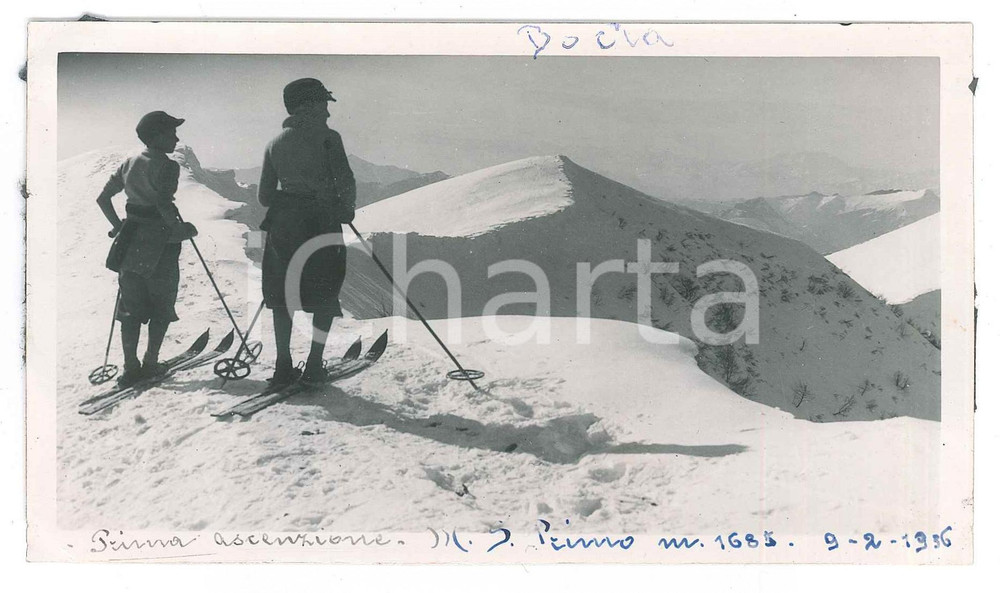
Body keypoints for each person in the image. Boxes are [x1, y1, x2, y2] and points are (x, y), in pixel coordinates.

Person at [258, 78, 356, 386]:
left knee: (282, 294)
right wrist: (344, 208)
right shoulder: (329, 138)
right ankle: (314, 366)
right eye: (324, 105)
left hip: (283, 226)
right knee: (324, 293)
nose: (328, 113)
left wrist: (291, 199)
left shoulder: (274, 144)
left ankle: (282, 366)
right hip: (321, 223)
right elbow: (345, 181)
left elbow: (264, 196)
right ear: (309, 106)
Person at [97, 111, 199, 387]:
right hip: (160, 245)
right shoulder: (168, 166)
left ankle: (131, 367)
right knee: (161, 305)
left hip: (130, 242)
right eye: (171, 133)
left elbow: (103, 197)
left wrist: (119, 226)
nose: (176, 138)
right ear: (156, 137)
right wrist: (181, 230)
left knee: (130, 307)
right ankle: (151, 363)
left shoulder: (129, 162)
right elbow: (164, 205)